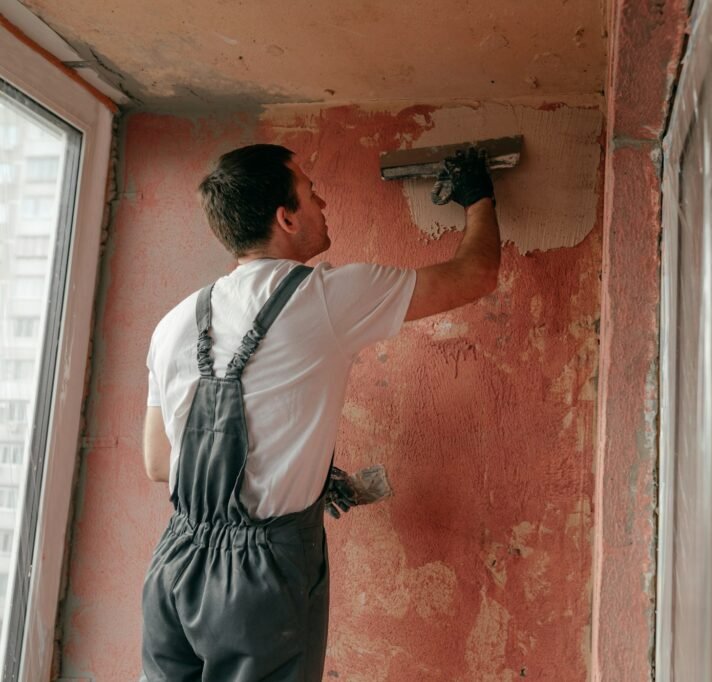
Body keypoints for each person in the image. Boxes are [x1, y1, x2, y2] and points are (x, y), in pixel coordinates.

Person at [140, 144, 498, 680]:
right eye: (311, 193)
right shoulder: (327, 297)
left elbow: (159, 462)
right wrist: (479, 198)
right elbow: (475, 275)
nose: (323, 201)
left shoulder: (171, 325)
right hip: (259, 581)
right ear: (285, 218)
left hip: (175, 565)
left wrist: (282, 464)